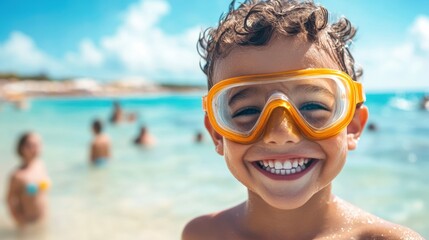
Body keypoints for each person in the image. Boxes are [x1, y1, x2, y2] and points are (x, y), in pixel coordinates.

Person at [182, 0, 423, 239]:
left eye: (312, 106)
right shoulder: (202, 234)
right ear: (217, 133)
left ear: (352, 125)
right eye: (247, 111)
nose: (281, 134)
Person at [6, 132, 51, 227]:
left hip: (43, 221)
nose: (35, 148)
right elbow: (9, 200)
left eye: (38, 144)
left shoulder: (40, 165)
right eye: (30, 145)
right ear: (21, 148)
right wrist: (19, 220)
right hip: (28, 224)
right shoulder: (17, 175)